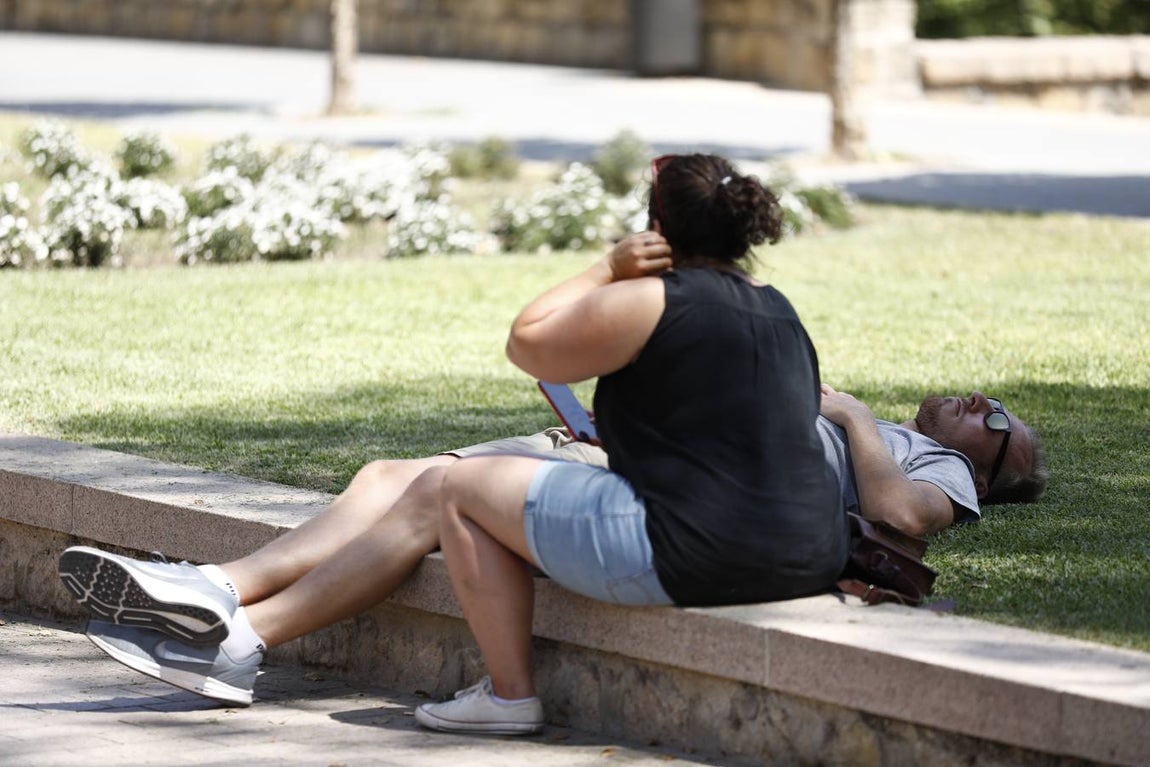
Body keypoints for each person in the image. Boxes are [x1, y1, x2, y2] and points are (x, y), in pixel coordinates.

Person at [58, 156, 1048, 715]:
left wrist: (607, 266)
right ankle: (227, 604)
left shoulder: (657, 299)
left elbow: (528, 340)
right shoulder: (776, 308)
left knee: (449, 485)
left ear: (658, 228)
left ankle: (272, 637)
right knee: (437, 484)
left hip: (686, 550)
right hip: (774, 546)